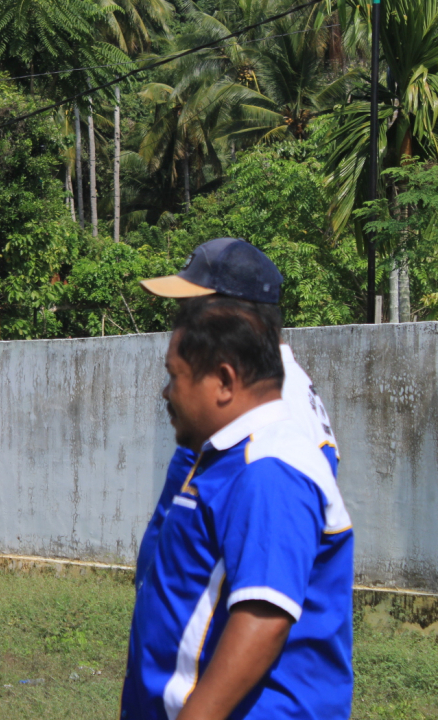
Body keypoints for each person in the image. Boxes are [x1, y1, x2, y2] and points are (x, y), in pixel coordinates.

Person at [120, 296, 354, 720]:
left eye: (175, 376)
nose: (165, 391)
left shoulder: (269, 471)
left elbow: (263, 617)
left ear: (225, 382)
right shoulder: (224, 457)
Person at [134, 237, 340, 583]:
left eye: (191, 309)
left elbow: (267, 585)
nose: (181, 323)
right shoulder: (251, 393)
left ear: (233, 317)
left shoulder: (272, 402)